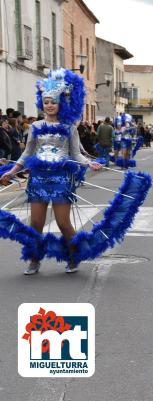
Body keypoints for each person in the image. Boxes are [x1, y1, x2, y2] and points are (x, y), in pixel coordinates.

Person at [0, 68, 102, 274]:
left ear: (60, 103)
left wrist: (88, 164)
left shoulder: (69, 127)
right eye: (46, 101)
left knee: (63, 223)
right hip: (38, 179)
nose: (49, 105)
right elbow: (27, 153)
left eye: (53, 101)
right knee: (36, 222)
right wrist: (13, 171)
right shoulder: (35, 127)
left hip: (61, 179)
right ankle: (34, 259)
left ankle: (74, 256)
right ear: (42, 103)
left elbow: (76, 154)